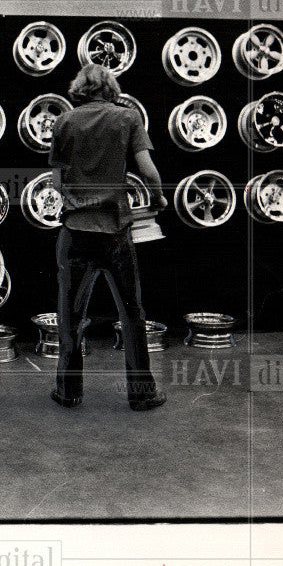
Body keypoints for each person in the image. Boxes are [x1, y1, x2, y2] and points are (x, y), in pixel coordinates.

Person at [48, 65, 169, 411]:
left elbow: (56, 183)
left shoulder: (64, 122)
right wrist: (157, 197)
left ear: (80, 89)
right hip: (115, 231)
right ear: (110, 88)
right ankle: (141, 394)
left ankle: (68, 392)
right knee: (132, 313)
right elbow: (147, 170)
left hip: (74, 232)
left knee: (70, 315)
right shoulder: (128, 118)